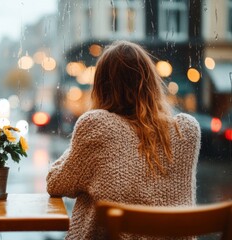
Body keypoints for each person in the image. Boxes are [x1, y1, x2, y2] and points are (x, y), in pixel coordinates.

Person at [46, 40, 201, 240]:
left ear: (102, 86)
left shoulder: (96, 125)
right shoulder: (186, 130)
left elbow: (56, 183)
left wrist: (81, 145)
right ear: (151, 83)